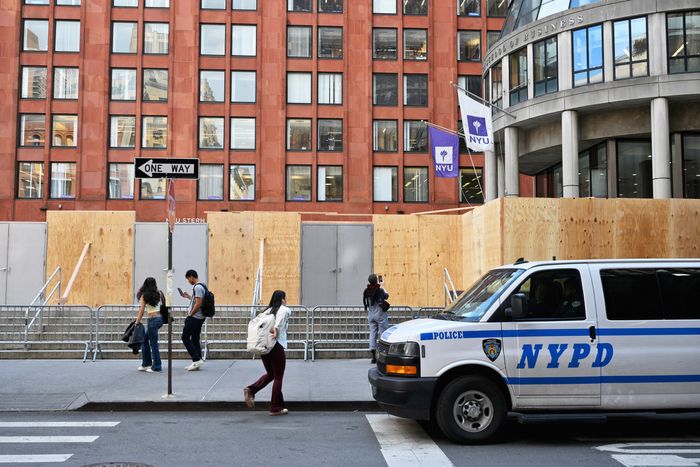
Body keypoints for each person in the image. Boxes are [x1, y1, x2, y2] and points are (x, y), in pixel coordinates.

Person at [244, 290, 291, 416]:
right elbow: (280, 320)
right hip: (276, 345)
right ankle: (275, 408)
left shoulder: (266, 311)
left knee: (271, 374)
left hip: (264, 347)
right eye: (286, 297)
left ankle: (251, 390)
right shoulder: (284, 309)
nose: (287, 300)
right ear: (282, 299)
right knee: (278, 377)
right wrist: (276, 329)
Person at [135, 277, 164, 373]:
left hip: (152, 320)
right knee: (144, 340)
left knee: (153, 343)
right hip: (160, 319)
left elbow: (142, 311)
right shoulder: (159, 292)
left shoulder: (145, 295)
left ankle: (156, 366)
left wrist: (137, 322)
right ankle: (146, 363)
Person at [181, 269, 206, 371]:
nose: (188, 281)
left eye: (188, 279)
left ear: (191, 276)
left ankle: (196, 359)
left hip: (195, 317)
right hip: (199, 317)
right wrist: (189, 297)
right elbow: (197, 300)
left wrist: (191, 314)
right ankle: (197, 361)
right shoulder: (202, 285)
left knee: (185, 337)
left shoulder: (198, 287)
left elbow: (198, 303)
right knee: (195, 338)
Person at [363, 274, 389, 364]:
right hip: (380, 314)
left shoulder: (366, 291)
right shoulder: (379, 290)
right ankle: (382, 354)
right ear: (376, 281)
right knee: (383, 334)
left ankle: (373, 356)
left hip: (371, 314)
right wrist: (383, 286)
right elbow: (386, 296)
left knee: (372, 334)